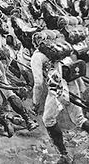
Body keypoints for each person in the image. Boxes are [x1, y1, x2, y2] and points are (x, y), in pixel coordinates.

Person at [31, 32, 89, 164]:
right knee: (79, 119)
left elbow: (38, 83)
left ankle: (64, 155)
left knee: (48, 119)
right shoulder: (61, 50)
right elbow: (73, 69)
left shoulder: (37, 56)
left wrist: (35, 103)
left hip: (57, 89)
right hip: (71, 84)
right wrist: (81, 89)